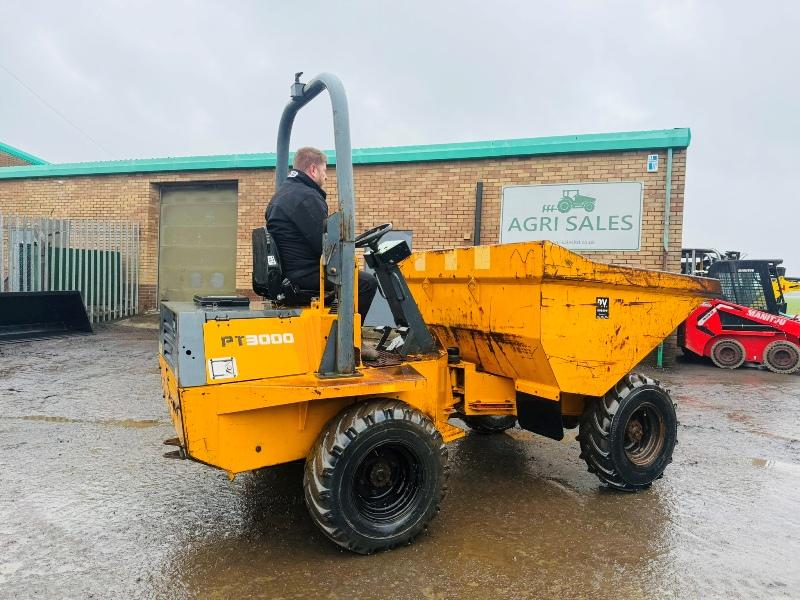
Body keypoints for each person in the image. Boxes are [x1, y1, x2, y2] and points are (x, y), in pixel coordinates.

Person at [266, 146, 378, 322]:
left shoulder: (281, 195)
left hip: (291, 271)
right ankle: (348, 341)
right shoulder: (307, 198)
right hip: (304, 274)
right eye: (324, 171)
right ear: (313, 169)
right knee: (366, 283)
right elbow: (326, 246)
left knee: (354, 277)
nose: (326, 177)